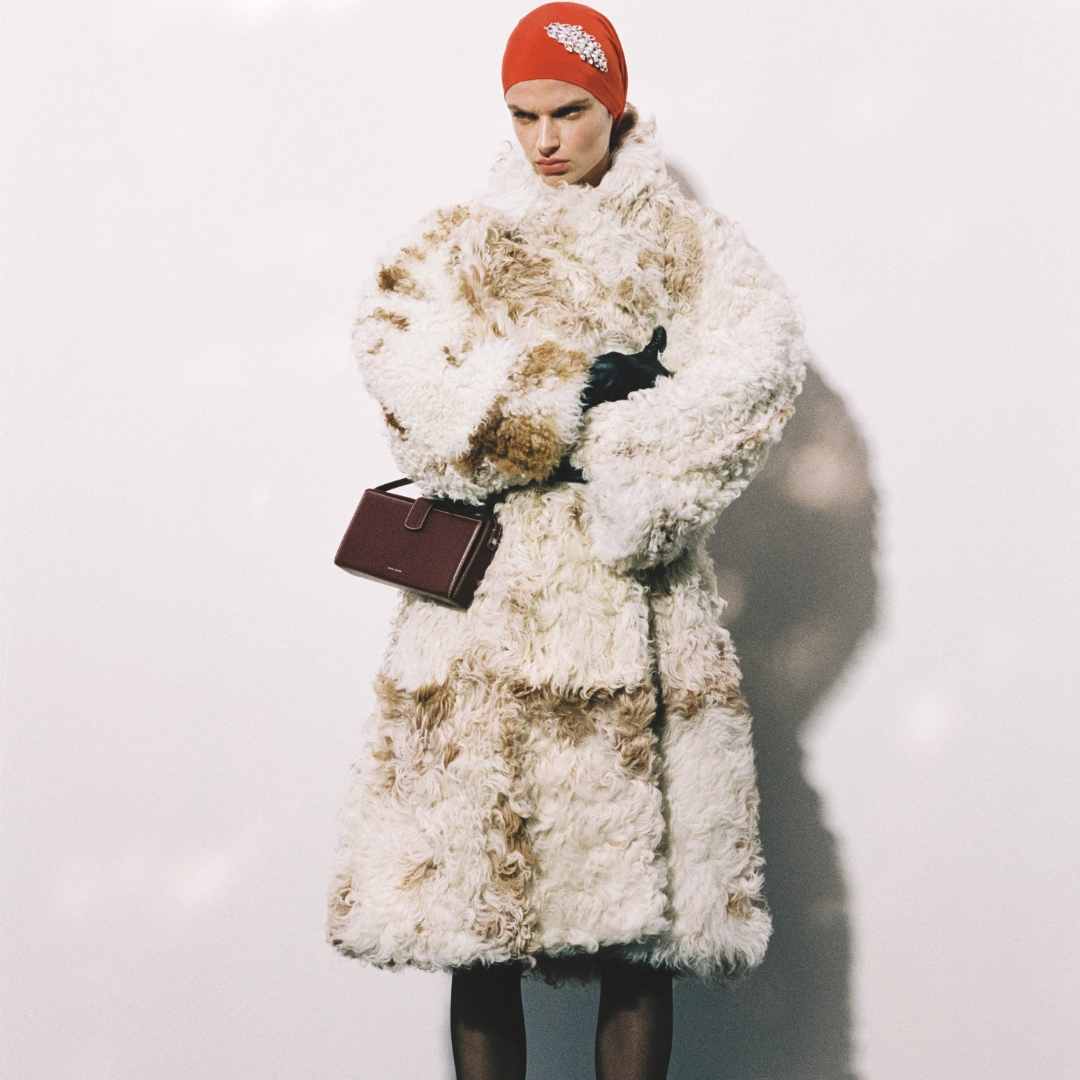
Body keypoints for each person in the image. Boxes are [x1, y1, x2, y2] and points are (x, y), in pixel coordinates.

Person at [328, 5, 807, 1078]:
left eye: (570, 112)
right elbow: (400, 366)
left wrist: (635, 454)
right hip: (486, 622)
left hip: (634, 608)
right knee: (477, 925)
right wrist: (559, 398)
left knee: (640, 943)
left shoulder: (690, 244)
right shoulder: (455, 245)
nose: (545, 138)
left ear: (616, 106)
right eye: (524, 114)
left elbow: (760, 371)